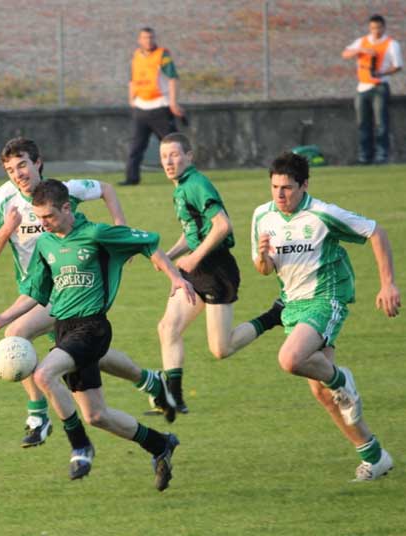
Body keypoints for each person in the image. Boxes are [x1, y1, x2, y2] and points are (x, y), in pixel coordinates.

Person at [0, 179, 197, 490]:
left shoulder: (97, 234)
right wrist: (3, 318)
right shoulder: (46, 245)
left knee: (43, 374)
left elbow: (148, 243)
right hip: (64, 329)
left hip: (92, 327)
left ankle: (79, 446)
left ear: (67, 208)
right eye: (38, 218)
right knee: (96, 415)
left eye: (48, 217)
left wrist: (175, 278)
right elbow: (35, 292)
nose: (43, 224)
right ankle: (160, 444)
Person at [0, 136, 177, 449]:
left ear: (37, 162)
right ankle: (150, 380)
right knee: (85, 354)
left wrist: (119, 227)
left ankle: (37, 416)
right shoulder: (2, 201)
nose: (18, 174)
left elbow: (106, 189)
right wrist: (7, 228)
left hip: (68, 290)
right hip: (34, 291)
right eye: (11, 169)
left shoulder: (64, 190)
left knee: (16, 335)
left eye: (23, 165)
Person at [251, 151, 401, 481]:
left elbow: (376, 232)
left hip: (326, 300)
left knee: (290, 359)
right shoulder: (263, 216)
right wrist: (262, 256)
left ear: (304, 185)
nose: (280, 194)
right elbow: (264, 270)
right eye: (275, 187)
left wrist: (388, 284)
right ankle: (374, 456)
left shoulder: (322, 214)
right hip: (294, 306)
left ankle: (341, 379)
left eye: (287, 188)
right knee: (321, 393)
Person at [150, 133, 283, 415]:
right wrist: (170, 255)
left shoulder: (197, 183)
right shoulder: (181, 187)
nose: (169, 162)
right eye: (164, 157)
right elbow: (194, 232)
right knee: (167, 327)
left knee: (220, 349)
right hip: (197, 269)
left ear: (189, 156)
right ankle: (174, 399)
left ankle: (274, 315)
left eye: (175, 155)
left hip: (216, 270)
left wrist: (194, 257)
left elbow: (222, 226)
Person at [119, 27, 185, 186]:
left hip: (160, 107)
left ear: (154, 38)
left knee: (172, 144)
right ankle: (131, 178)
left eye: (151, 37)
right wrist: (131, 99)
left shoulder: (162, 55)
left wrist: (173, 102)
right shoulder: (136, 56)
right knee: (136, 146)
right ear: (139, 40)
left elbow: (173, 79)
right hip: (141, 108)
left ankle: (183, 175)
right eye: (145, 38)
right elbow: (132, 80)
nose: (148, 41)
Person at [341, 14, 403, 165]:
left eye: (379, 27)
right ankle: (365, 156)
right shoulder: (362, 42)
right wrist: (361, 50)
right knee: (363, 123)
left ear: (384, 27)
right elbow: (345, 53)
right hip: (362, 87)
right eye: (373, 28)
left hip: (380, 86)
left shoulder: (391, 44)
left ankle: (382, 156)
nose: (376, 31)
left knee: (381, 123)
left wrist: (381, 73)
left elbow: (398, 66)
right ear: (370, 28)